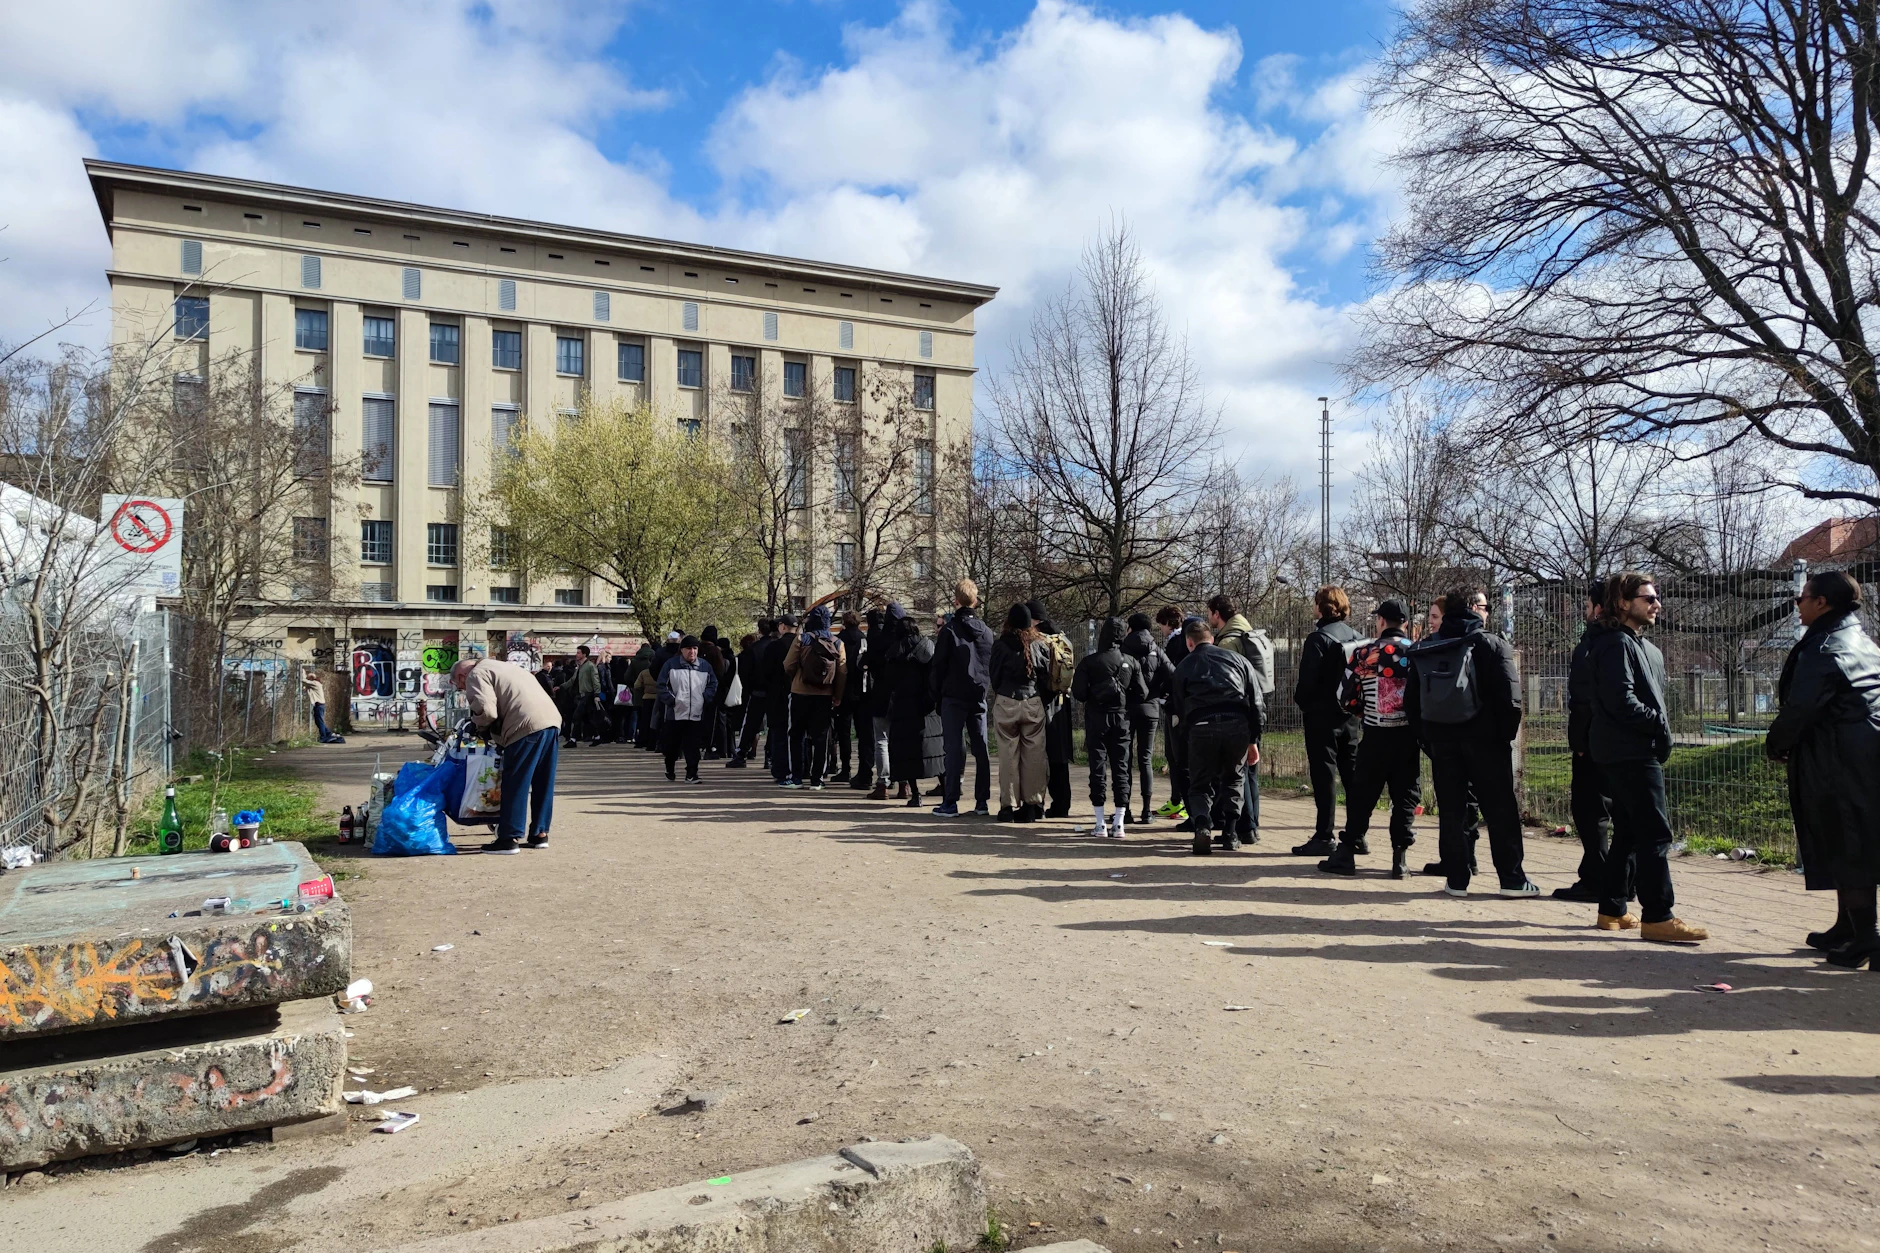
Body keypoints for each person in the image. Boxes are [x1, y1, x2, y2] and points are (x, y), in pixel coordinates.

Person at [1768, 570, 1880, 967]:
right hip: (1862, 752)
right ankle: (1847, 926)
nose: (1797, 604)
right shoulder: (1862, 639)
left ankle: (1866, 937)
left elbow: (1802, 707)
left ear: (1822, 603)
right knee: (1852, 839)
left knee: (1846, 841)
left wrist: (1777, 743)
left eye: (1803, 597)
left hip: (1837, 758)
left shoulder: (1825, 647)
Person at [1588, 573, 1706, 942]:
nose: (1657, 604)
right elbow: (1622, 702)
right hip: (1631, 751)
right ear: (1623, 603)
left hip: (1625, 749)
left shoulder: (1632, 644)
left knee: (1627, 830)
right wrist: (1659, 725)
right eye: (1648, 598)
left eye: (1656, 598)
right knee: (1655, 833)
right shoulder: (1616, 645)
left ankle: (1612, 909)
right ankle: (1658, 916)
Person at [1406, 587, 1539, 898]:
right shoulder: (1492, 644)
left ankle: (1456, 879)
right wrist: (1501, 736)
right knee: (1500, 810)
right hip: (1487, 742)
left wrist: (1429, 740)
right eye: (1483, 605)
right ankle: (1511, 879)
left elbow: (1411, 702)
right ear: (1472, 609)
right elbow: (1511, 700)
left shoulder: (1427, 647)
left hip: (1442, 741)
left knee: (1452, 811)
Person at [1320, 599, 1419, 878]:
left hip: (1375, 735)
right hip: (1407, 737)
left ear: (1380, 621)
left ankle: (1347, 852)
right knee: (1405, 796)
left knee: (1363, 794)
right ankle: (1400, 858)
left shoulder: (1365, 653)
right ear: (1406, 624)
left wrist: (1363, 711)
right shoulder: (1418, 654)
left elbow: (1344, 696)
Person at [1169, 618, 1266, 855]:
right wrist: (1253, 738)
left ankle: (1202, 824)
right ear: (1212, 639)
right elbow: (1256, 702)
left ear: (1189, 643)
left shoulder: (1184, 666)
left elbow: (1178, 708)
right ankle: (1231, 833)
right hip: (1236, 724)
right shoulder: (1239, 661)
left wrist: (1185, 739)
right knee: (1234, 778)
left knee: (1199, 783)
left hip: (1201, 726)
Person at [450, 656, 562, 854]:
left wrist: (479, 726)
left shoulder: (476, 674)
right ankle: (540, 834)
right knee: (543, 781)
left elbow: (486, 710)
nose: (463, 690)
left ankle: (509, 837)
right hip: (551, 721)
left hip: (524, 726)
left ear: (461, 676)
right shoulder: (505, 667)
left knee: (515, 781)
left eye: (460, 686)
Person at [1558, 581, 1619, 902]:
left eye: (1586, 606)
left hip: (1593, 742)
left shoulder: (1592, 645)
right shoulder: (1630, 642)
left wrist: (1579, 740)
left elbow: (1583, 698)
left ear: (1598, 608)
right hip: (1622, 742)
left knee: (1590, 811)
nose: (1584, 612)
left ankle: (1595, 878)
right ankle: (1619, 879)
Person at [1291, 586, 1361, 857]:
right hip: (1350, 716)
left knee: (1324, 776)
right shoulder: (1357, 637)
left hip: (1321, 717)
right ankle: (1357, 834)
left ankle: (1324, 834)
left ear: (1321, 606)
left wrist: (1304, 703)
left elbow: (1306, 683)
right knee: (1351, 775)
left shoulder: (1318, 639)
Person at [1416, 599, 1479, 878]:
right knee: (1464, 799)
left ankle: (1460, 859)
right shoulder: (1467, 643)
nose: (1431, 621)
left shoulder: (1439, 648)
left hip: (1445, 732)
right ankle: (1463, 858)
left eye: (1435, 616)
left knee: (1457, 800)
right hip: (1457, 733)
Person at [1072, 617, 1151, 837]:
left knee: (1097, 768)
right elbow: (1143, 692)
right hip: (1122, 719)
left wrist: (1095, 693)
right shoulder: (1131, 661)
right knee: (1121, 768)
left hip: (1097, 718)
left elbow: (1078, 693)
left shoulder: (1089, 662)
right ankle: (1119, 822)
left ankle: (1099, 823)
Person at [1209, 594, 1273, 846]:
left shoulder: (1228, 642)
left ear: (1216, 613)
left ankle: (1245, 828)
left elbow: (1226, 683)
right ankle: (1252, 825)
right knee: (1251, 771)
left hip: (1238, 713)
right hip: (1256, 709)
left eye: (1210, 613)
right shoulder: (1249, 632)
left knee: (1237, 772)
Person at [930, 578, 995, 817]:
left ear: (956, 600)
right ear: (975, 601)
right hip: (978, 694)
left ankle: (951, 801)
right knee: (981, 748)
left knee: (954, 749)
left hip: (953, 695)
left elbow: (938, 666)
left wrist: (936, 695)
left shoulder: (948, 631)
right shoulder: (987, 632)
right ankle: (982, 801)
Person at [988, 603, 1051, 822]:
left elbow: (994, 677)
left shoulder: (1000, 645)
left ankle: (1008, 806)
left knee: (1008, 756)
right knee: (1034, 756)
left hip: (1006, 701)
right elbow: (1046, 677)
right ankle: (1033, 806)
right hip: (1032, 702)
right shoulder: (1039, 645)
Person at [882, 604, 946, 806]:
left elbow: (888, 681)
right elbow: (936, 674)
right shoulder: (928, 647)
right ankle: (946, 788)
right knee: (935, 747)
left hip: (903, 706)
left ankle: (915, 794)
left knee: (906, 752)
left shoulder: (893, 653)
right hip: (927, 706)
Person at [784, 605, 848, 790]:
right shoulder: (837, 642)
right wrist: (837, 695)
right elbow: (842, 672)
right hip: (824, 696)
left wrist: (797, 677)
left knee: (796, 736)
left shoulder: (801, 639)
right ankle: (817, 779)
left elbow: (788, 665)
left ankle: (795, 777)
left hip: (800, 693)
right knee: (821, 738)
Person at [1120, 612, 1171, 825]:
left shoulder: (1122, 649)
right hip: (1150, 709)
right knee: (1145, 759)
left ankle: (1125, 811)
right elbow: (1173, 674)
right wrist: (1159, 692)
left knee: (1124, 759)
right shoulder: (1157, 651)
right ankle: (1147, 811)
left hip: (1126, 709)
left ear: (1130, 628)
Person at [1029, 601, 1077, 818]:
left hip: (1042, 701)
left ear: (1034, 619)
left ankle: (1036, 804)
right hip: (1062, 702)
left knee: (1038, 755)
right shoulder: (1062, 638)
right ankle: (1062, 804)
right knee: (1059, 758)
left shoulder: (1036, 640)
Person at [658, 635, 718, 783]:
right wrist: (672, 701)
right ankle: (669, 766)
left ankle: (691, 773)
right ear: (682, 650)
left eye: (695, 648)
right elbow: (661, 685)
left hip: (696, 714)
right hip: (675, 714)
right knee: (672, 746)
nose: (692, 652)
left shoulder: (705, 666)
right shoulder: (670, 665)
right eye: (688, 648)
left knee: (693, 746)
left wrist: (705, 697)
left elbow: (713, 683)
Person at [1153, 605, 1191, 823]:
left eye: (1161, 624)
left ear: (1167, 623)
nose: (1161, 629)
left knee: (1177, 755)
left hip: (1175, 707)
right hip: (1175, 706)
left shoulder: (1176, 644)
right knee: (1173, 755)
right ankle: (1177, 799)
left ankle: (1181, 802)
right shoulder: (1179, 641)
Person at [831, 610, 866, 784]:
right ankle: (863, 769)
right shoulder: (864, 640)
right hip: (861, 692)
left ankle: (845, 768)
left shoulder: (837, 640)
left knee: (843, 732)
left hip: (842, 691)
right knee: (863, 734)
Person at [763, 615, 799, 782]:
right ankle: (800, 768)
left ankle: (780, 770)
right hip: (800, 694)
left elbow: (765, 674)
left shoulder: (774, 647)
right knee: (798, 734)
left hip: (777, 696)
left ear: (782, 627)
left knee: (779, 734)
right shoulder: (803, 645)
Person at [864, 608, 895, 798]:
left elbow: (866, 663)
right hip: (900, 695)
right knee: (898, 740)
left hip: (880, 693)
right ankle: (904, 783)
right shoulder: (900, 638)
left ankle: (883, 782)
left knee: (881, 739)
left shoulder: (874, 639)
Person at [729, 626, 769, 767]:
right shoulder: (776, 645)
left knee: (750, 724)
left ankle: (741, 755)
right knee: (773, 726)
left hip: (756, 692)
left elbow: (747, 674)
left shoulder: (754, 650)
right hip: (775, 692)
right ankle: (769, 757)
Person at [570, 645, 604, 748]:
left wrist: (597, 694)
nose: (577, 654)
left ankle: (573, 740)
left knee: (577, 716)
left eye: (578, 653)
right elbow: (573, 680)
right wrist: (561, 686)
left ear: (584, 654)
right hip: (582, 695)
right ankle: (597, 737)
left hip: (588, 695)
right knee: (588, 718)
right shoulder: (580, 666)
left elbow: (596, 680)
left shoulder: (590, 666)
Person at [302, 665, 344, 744]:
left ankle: (323, 736)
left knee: (319, 721)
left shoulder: (315, 684)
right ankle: (328, 733)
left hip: (319, 705)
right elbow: (305, 687)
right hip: (319, 705)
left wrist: (302, 673)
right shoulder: (315, 685)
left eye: (309, 678)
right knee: (319, 721)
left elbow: (304, 681)